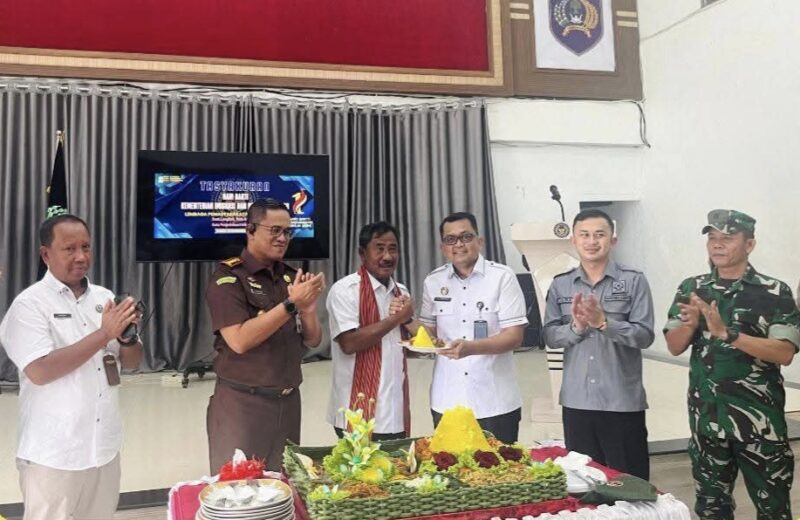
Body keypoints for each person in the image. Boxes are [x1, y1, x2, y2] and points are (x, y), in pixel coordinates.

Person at [0, 214, 143, 520]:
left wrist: (127, 336)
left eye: (86, 247)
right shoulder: (29, 305)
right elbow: (40, 371)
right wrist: (104, 334)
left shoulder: (105, 298)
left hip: (103, 449)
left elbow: (132, 362)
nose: (81, 257)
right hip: (53, 455)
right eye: (69, 249)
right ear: (45, 254)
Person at [664, 209, 798, 520]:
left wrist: (728, 334)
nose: (717, 244)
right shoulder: (692, 288)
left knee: (774, 511)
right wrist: (690, 325)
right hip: (707, 423)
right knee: (712, 510)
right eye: (712, 237)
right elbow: (674, 346)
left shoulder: (774, 292)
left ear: (749, 244)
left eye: (727, 238)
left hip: (760, 425)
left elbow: (784, 352)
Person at [206, 198, 325, 472]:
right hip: (243, 406)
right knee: (239, 487)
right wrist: (291, 305)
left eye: (288, 232)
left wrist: (308, 311)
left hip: (287, 402)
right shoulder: (228, 278)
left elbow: (313, 340)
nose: (283, 238)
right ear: (250, 230)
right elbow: (239, 340)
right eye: (275, 231)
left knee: (283, 485)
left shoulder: (290, 277)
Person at [543, 209, 654, 480]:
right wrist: (577, 328)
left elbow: (644, 336)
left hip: (621, 401)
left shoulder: (633, 280)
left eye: (599, 235)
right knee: (585, 482)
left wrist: (604, 323)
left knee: (629, 483)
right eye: (584, 235)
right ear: (574, 240)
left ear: (613, 240)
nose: (592, 241)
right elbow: (550, 336)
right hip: (577, 402)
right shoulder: (561, 284)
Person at [418, 212, 528, 443]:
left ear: (480, 241)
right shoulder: (433, 281)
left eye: (466, 237)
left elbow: (514, 336)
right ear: (443, 248)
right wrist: (405, 318)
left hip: (495, 401)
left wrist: (471, 348)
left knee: (501, 464)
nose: (459, 244)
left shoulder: (502, 277)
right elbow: (428, 335)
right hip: (447, 400)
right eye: (451, 239)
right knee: (449, 463)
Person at [325, 221, 416, 439]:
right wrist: (396, 319)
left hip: (395, 412)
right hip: (355, 414)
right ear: (362, 253)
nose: (387, 256)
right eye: (379, 248)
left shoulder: (401, 291)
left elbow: (411, 342)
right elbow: (349, 343)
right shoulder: (345, 290)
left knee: (398, 462)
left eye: (393, 249)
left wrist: (408, 321)